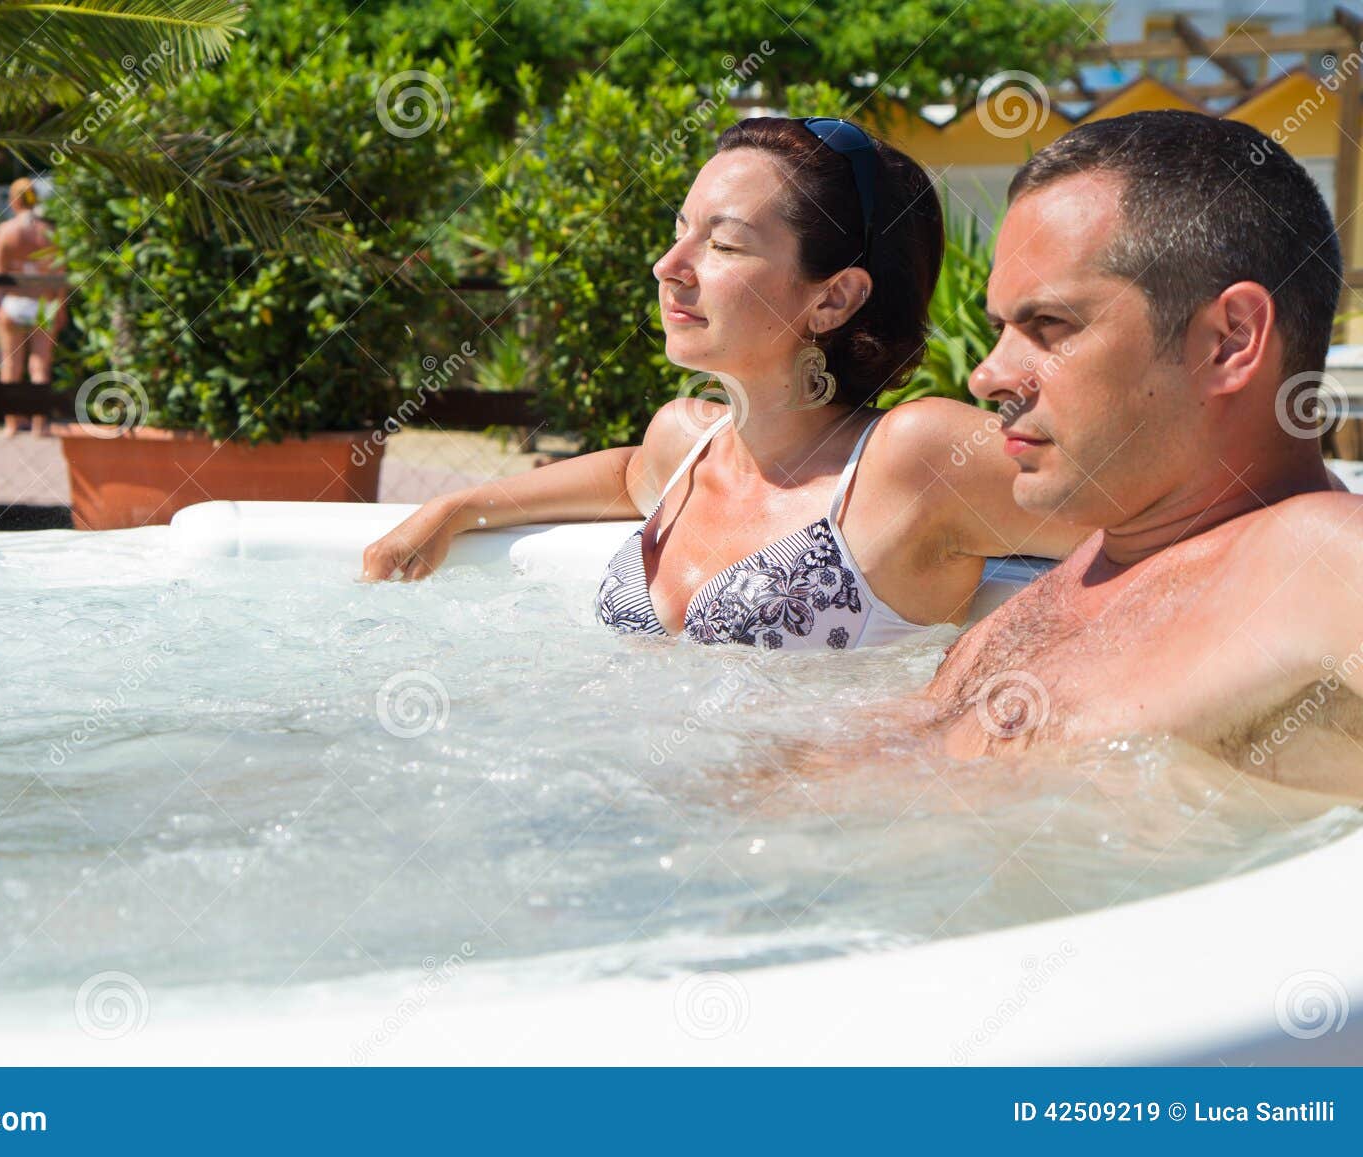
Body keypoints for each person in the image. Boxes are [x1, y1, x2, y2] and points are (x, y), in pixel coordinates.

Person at [362, 117, 1087, 650]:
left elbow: (1153, 515)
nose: (669, 265)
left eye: (724, 243)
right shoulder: (685, 442)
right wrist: (457, 506)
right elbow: (623, 475)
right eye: (680, 229)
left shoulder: (910, 462)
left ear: (833, 297)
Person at [893, 110, 1361, 794]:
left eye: (1048, 324)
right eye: (999, 329)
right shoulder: (1076, 577)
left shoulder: (1313, 560)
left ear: (1230, 340)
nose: (987, 374)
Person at [0, 177, 66, 437]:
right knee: (40, 366)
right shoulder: (48, 231)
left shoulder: (6, 230)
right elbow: (60, 271)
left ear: (14, 200)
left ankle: (12, 423)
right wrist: (61, 306)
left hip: (13, 302)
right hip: (44, 303)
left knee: (11, 364)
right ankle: (39, 424)